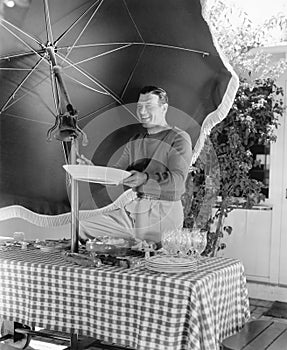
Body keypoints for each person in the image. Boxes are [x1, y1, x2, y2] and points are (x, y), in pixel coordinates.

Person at [78, 86, 192, 243]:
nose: (143, 112)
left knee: (150, 258)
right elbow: (117, 174)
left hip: (164, 212)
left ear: (164, 108)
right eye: (139, 106)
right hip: (134, 210)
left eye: (149, 106)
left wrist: (144, 179)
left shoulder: (179, 138)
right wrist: (93, 170)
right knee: (84, 226)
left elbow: (178, 181)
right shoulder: (135, 141)